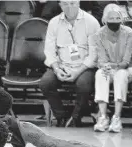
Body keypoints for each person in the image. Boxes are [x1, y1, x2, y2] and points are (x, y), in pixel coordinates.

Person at [40, 0, 100, 128]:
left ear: (78, 3)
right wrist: (56, 68)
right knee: (45, 83)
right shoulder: (54, 22)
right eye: (65, 4)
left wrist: (78, 71)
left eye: (72, 3)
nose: (69, 7)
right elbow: (49, 50)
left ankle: (75, 117)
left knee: (83, 85)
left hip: (85, 67)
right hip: (62, 65)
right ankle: (61, 117)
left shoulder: (91, 22)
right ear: (60, 5)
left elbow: (94, 54)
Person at [93, 3, 132, 133]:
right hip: (109, 68)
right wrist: (105, 66)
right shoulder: (99, 34)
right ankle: (103, 117)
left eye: (117, 19)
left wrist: (112, 66)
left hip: (127, 69)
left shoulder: (129, 33)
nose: (114, 22)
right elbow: (101, 57)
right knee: (100, 74)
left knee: (120, 75)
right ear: (105, 20)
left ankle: (117, 117)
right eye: (110, 19)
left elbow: (126, 61)